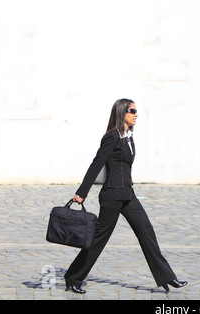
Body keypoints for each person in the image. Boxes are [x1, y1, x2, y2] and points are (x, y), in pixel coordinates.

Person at [64, 98, 187, 294]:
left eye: (136, 110)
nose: (136, 114)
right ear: (122, 113)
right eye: (132, 110)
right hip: (112, 197)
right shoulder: (112, 137)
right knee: (98, 239)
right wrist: (81, 192)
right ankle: (73, 277)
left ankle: (167, 277)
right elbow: (97, 164)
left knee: (146, 231)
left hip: (128, 196)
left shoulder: (128, 137)